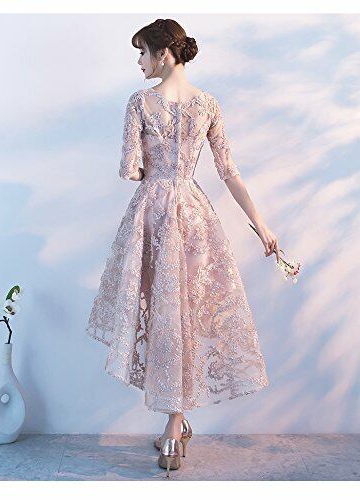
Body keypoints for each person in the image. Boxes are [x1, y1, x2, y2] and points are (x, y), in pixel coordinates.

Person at [86, 18, 279, 478]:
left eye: (142, 52)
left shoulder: (139, 102)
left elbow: (131, 169)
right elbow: (229, 171)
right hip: (193, 217)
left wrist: (151, 164)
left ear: (164, 54)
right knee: (184, 316)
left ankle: (174, 426)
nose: (139, 62)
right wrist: (262, 226)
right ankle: (176, 424)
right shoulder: (207, 103)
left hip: (151, 216)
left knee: (163, 316)